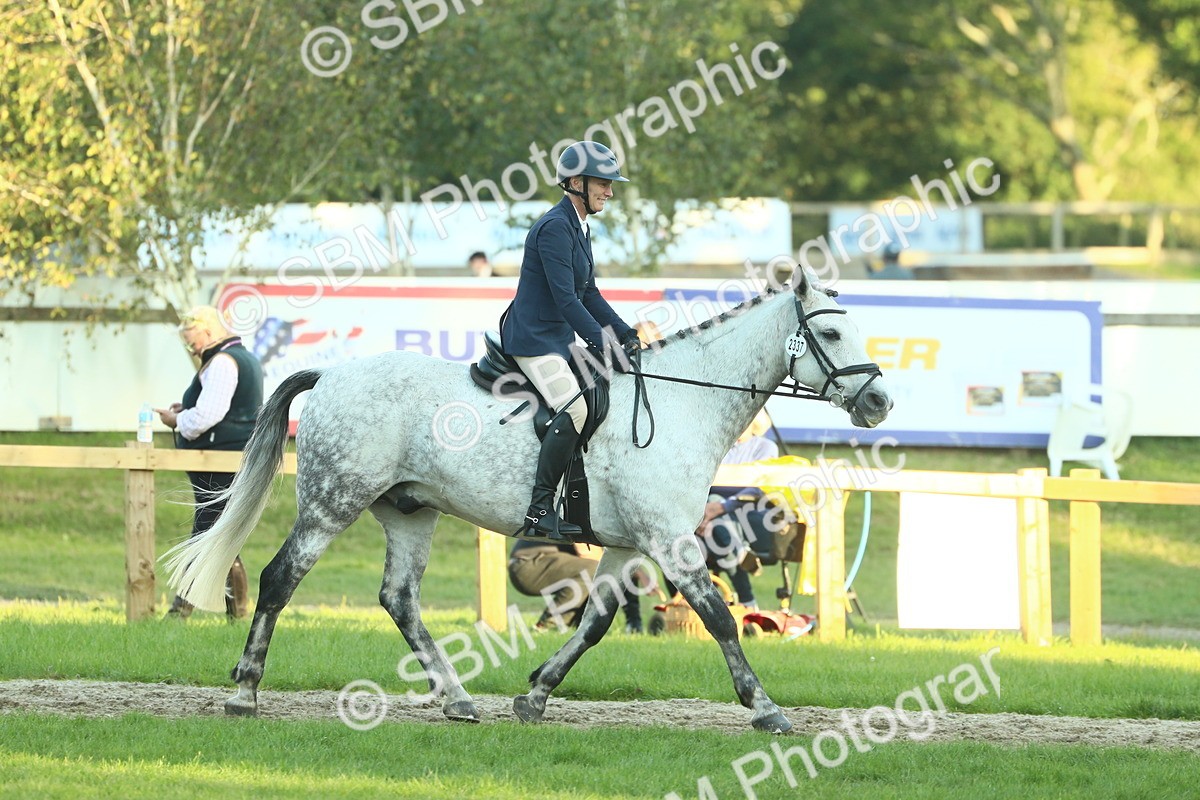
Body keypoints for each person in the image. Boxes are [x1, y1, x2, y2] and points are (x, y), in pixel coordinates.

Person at [500, 140, 641, 540]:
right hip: (533, 340)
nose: (610, 192)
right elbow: (566, 301)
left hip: (557, 339)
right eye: (603, 183)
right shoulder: (553, 228)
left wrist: (623, 333)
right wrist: (602, 344)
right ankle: (539, 508)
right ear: (577, 182)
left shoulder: (579, 227)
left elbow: (589, 293)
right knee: (576, 409)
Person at [155, 306, 264, 620]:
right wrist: (187, 407)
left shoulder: (222, 362)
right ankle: (238, 613)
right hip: (232, 458)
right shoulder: (243, 358)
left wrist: (177, 419)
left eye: (193, 340)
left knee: (206, 533)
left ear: (209, 331)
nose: (192, 348)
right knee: (220, 532)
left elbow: (207, 416)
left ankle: (180, 612)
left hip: (220, 460)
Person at [664, 412, 781, 610]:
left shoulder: (765, 447)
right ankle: (746, 598)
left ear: (756, 422)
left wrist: (720, 507)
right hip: (708, 515)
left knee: (716, 511)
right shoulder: (717, 445)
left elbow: (760, 488)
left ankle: (705, 605)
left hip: (747, 512)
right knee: (683, 545)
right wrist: (702, 512)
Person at [508, 539, 650, 633]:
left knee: (620, 568)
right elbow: (588, 553)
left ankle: (634, 626)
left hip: (545, 561)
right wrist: (637, 572)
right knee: (596, 569)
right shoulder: (583, 506)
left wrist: (633, 570)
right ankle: (547, 625)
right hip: (527, 565)